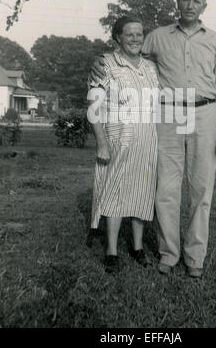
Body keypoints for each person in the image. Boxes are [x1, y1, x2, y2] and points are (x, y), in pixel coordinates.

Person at [91, 0, 216, 278]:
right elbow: (127, 49)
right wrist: (100, 59)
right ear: (178, 1)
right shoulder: (158, 36)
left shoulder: (215, 40)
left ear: (204, 6)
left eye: (196, 1)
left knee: (201, 191)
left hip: (205, 114)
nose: (190, 5)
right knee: (166, 190)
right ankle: (169, 254)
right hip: (169, 114)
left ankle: (194, 257)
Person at [87, 16, 159, 274]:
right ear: (117, 37)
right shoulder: (105, 65)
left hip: (147, 140)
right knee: (115, 193)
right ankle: (112, 251)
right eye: (129, 34)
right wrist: (101, 144)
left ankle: (138, 247)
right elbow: (95, 109)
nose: (135, 39)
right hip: (118, 138)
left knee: (142, 193)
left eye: (139, 34)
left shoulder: (150, 67)